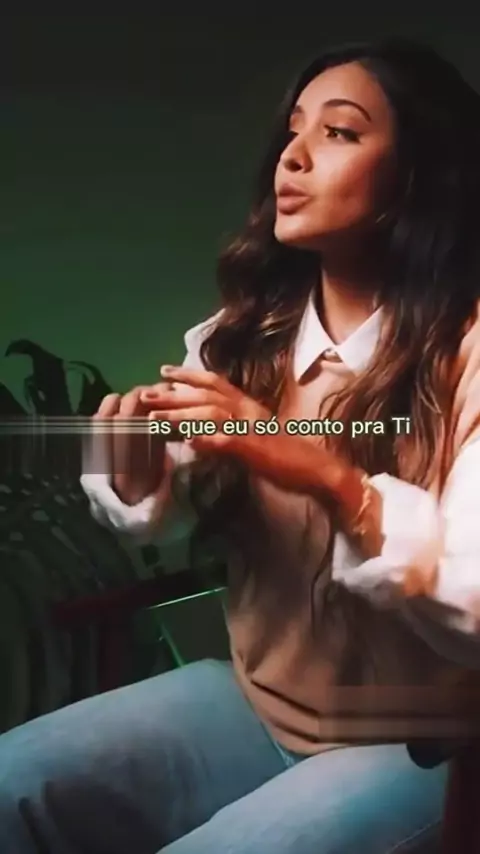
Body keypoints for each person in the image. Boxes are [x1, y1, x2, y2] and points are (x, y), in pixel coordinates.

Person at [2, 37, 480, 854]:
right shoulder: (235, 339)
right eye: (293, 131)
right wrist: (138, 475)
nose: (292, 157)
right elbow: (172, 515)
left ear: (417, 177)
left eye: (339, 132)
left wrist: (330, 477)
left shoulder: (468, 355)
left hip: (426, 744)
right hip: (255, 705)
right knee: (10, 782)